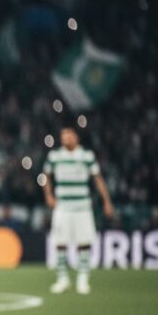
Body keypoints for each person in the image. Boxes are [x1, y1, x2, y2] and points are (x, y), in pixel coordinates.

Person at [42, 126, 114, 294]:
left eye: (68, 134)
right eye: (63, 134)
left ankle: (83, 279)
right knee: (60, 243)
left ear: (76, 137)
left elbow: (97, 179)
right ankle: (62, 279)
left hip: (82, 206)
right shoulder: (55, 156)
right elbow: (46, 175)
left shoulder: (86, 156)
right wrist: (48, 196)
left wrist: (107, 201)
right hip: (63, 207)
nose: (65, 137)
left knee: (84, 243)